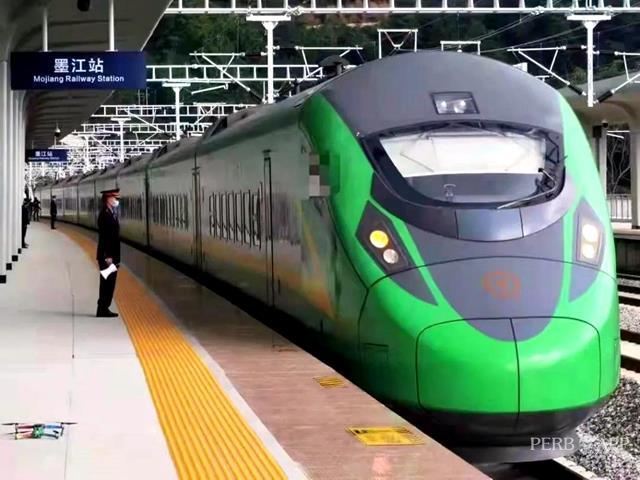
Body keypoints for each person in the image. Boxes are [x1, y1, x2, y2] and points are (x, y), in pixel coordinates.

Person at [96, 188, 121, 318]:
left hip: (111, 256)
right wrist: (108, 256)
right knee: (107, 283)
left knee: (110, 283)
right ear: (108, 199)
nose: (116, 200)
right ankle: (102, 308)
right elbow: (105, 237)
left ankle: (104, 307)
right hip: (107, 257)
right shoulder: (105, 214)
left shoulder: (110, 213)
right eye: (114, 198)